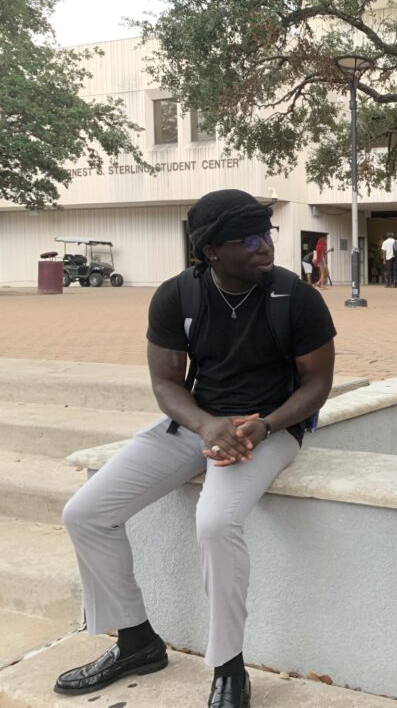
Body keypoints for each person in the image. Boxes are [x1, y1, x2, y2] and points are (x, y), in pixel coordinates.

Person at [56, 189, 336, 708]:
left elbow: (317, 384)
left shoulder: (296, 297)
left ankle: (229, 668)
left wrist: (267, 425)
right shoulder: (176, 297)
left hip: (269, 428)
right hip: (196, 423)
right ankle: (136, 641)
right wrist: (206, 424)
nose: (265, 247)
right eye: (249, 238)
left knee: (214, 522)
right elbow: (165, 382)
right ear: (211, 250)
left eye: (267, 234)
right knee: (86, 512)